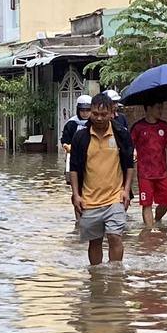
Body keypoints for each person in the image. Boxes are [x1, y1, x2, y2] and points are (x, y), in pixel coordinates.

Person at [69, 90, 135, 267]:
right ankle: (96, 278)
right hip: (89, 199)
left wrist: (126, 190)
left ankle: (115, 277)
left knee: (115, 236)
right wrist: (76, 194)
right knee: (95, 241)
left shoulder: (121, 134)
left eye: (103, 114)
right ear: (90, 112)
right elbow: (74, 168)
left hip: (115, 197)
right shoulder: (80, 137)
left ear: (111, 112)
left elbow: (129, 164)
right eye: (95, 114)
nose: (98, 118)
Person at [129, 102, 167, 232]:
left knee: (166, 202)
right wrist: (132, 153)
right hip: (144, 173)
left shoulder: (164, 126)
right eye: (158, 108)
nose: (160, 110)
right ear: (148, 108)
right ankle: (149, 233)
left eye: (161, 108)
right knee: (147, 204)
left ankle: (156, 220)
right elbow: (129, 145)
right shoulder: (138, 127)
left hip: (162, 172)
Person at [59, 94, 92, 167]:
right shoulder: (71, 124)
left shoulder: (95, 124)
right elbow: (65, 140)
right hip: (74, 157)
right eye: (82, 110)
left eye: (88, 110)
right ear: (78, 110)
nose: (85, 113)